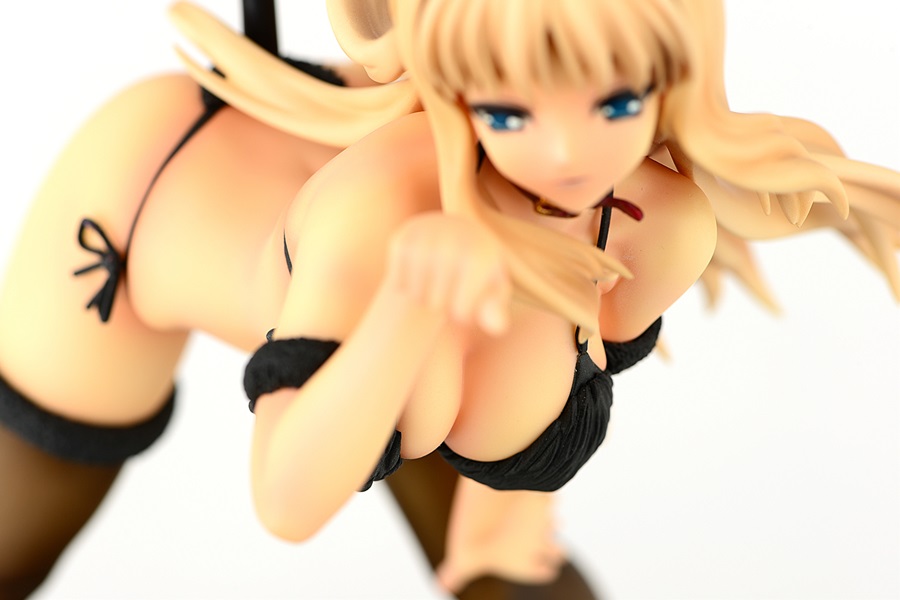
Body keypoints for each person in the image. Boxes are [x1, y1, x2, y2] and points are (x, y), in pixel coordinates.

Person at [0, 2, 897, 599]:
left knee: (515, 580)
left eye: (616, 101)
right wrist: (410, 302)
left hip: (421, 326)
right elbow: (285, 499)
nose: (568, 157)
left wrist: (505, 510)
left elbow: (578, 343)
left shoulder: (659, 218)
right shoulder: (375, 218)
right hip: (136, 210)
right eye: (511, 112)